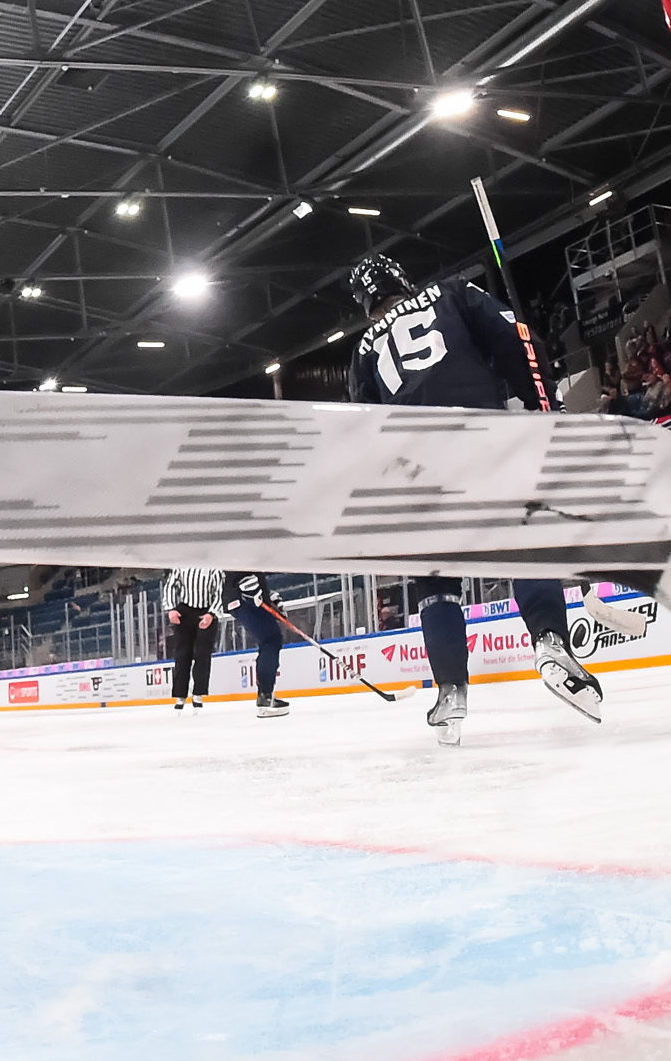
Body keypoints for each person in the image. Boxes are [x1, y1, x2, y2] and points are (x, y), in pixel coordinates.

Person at [345, 252, 604, 745]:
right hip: (477, 435)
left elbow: (365, 430)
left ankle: (450, 690)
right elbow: (513, 337)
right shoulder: (451, 292)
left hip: (415, 467)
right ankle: (549, 640)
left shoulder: (363, 351)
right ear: (401, 277)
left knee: (435, 580)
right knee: (522, 542)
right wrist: (543, 401)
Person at [228, 571, 288, 714]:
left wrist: (268, 596)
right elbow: (241, 572)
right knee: (271, 640)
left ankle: (265, 694)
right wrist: (251, 591)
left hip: (242, 598)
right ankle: (265, 695)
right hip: (244, 599)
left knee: (270, 640)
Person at [163, 565, 221, 710]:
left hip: (207, 610)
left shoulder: (214, 568)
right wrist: (171, 609)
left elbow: (220, 592)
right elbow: (170, 586)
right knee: (182, 653)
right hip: (185, 611)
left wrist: (212, 613)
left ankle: (199, 692)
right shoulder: (181, 566)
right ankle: (180, 694)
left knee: (203, 653)